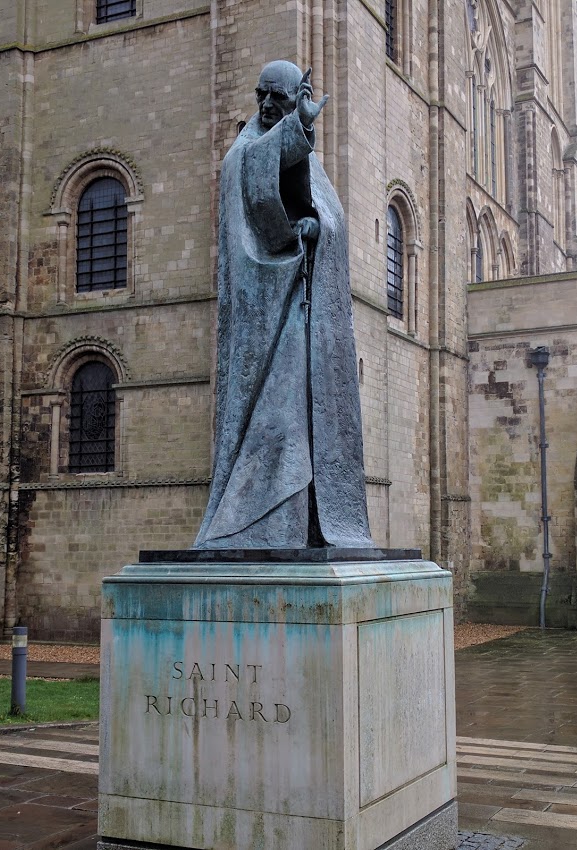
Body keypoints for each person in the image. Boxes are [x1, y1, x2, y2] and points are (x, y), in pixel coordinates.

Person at [194, 60, 373, 549]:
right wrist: (300, 126)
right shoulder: (243, 151)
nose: (269, 105)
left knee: (311, 418)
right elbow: (253, 186)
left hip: (307, 312)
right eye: (263, 96)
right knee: (278, 417)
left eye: (281, 98)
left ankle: (310, 525)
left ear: (295, 97)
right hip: (267, 317)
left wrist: (316, 230)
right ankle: (258, 525)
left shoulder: (312, 165)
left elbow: (331, 223)